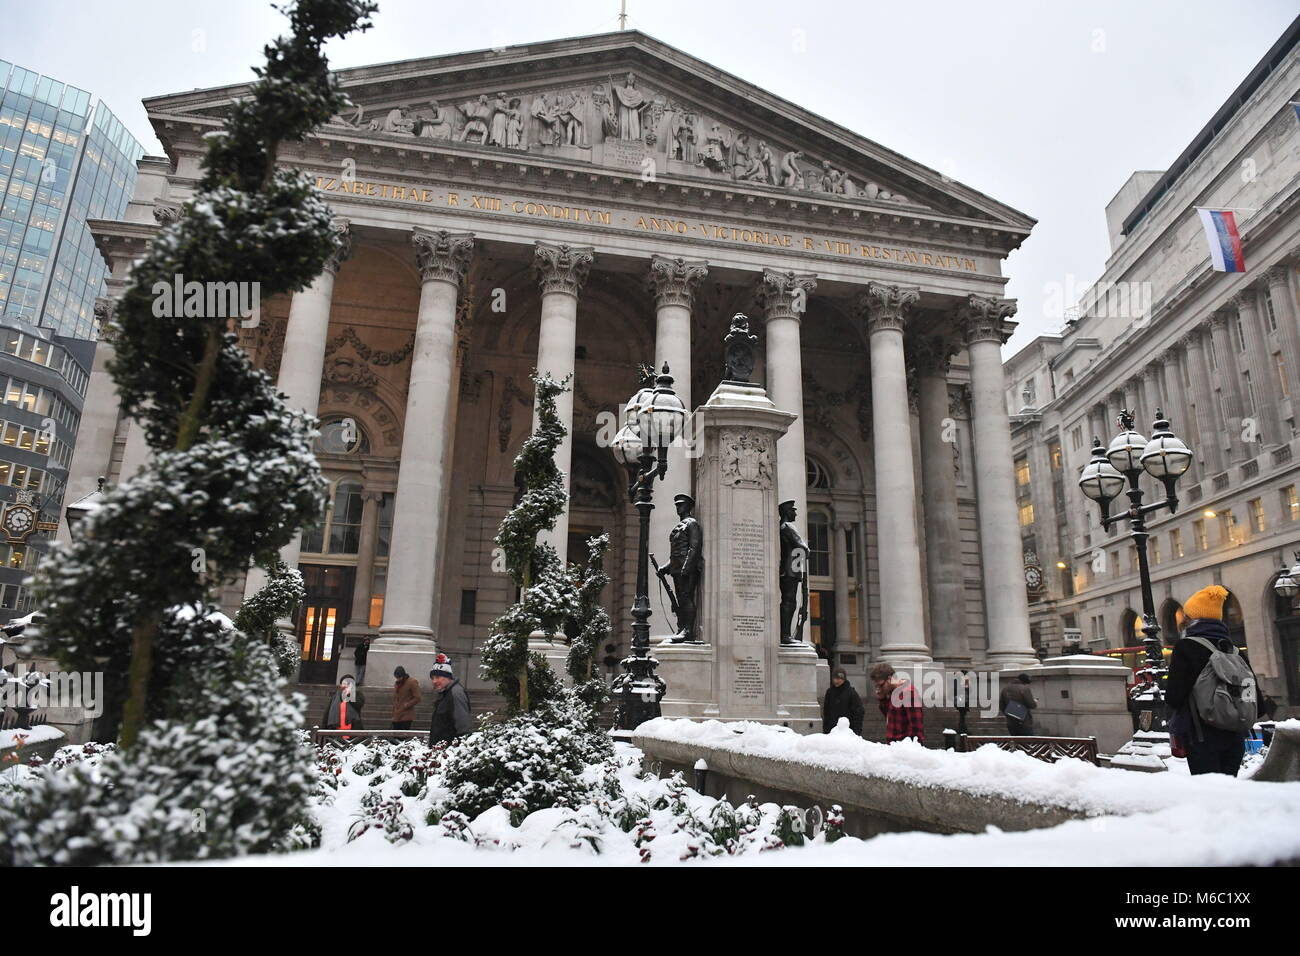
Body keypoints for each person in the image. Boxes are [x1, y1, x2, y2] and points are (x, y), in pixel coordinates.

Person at [1165, 585, 1257, 776]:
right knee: (1229, 794)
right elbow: (1258, 702)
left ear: (1193, 619)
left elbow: (1174, 696)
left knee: (1210, 797)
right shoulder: (1234, 650)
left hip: (1201, 737)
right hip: (1235, 737)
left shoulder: (1186, 647)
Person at [870, 662, 924, 745]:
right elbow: (889, 718)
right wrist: (882, 699)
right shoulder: (892, 693)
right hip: (894, 745)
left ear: (889, 679)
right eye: (876, 686)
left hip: (905, 747)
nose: (879, 689)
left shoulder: (908, 692)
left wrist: (912, 748)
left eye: (881, 685)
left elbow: (916, 726)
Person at [428, 654, 473, 746]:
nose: (434, 681)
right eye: (432, 678)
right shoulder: (445, 693)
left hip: (449, 751)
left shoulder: (455, 693)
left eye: (437, 677)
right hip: (442, 749)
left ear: (448, 677)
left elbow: (463, 725)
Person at [822, 667, 864, 736]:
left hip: (847, 731)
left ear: (844, 679)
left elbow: (858, 712)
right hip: (832, 731)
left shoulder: (851, 693)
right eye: (835, 678)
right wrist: (826, 730)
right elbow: (827, 712)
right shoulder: (830, 692)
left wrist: (856, 731)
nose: (836, 681)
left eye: (839, 679)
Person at [321, 675, 365, 740]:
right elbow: (328, 712)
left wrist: (349, 694)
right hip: (336, 727)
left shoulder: (357, 694)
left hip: (352, 727)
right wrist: (324, 726)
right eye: (344, 683)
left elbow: (359, 704)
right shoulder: (336, 697)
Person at [391, 666, 421, 730]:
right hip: (397, 714)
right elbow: (396, 697)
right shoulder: (397, 684)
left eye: (399, 677)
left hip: (406, 715)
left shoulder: (412, 682)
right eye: (396, 677)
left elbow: (417, 697)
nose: (398, 679)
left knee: (403, 736)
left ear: (403, 675)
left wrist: (407, 704)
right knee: (394, 736)